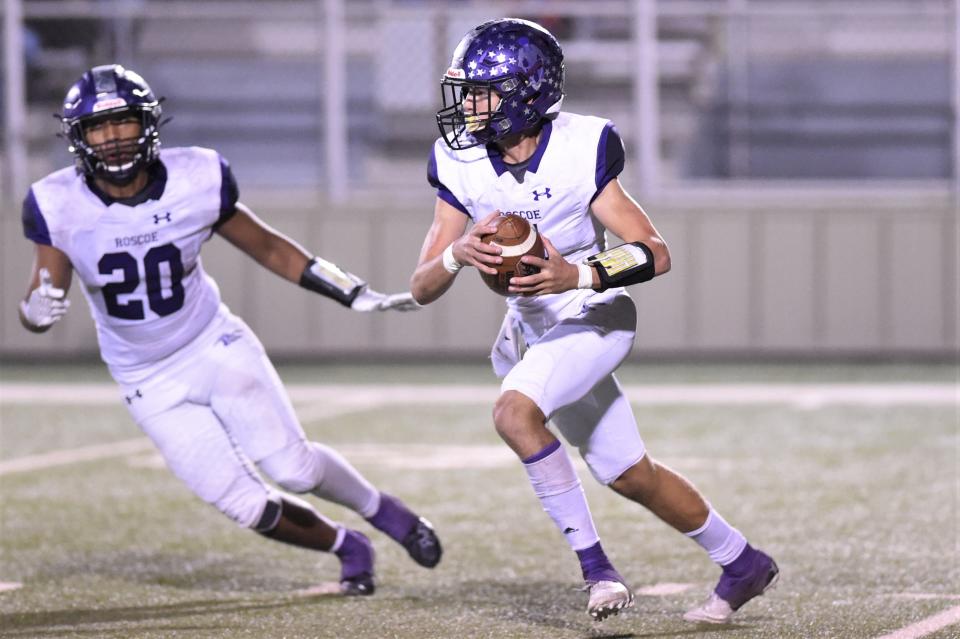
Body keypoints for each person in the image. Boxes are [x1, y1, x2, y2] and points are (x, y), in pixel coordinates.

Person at [19, 64, 442, 596]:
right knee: (246, 505)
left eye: (124, 121)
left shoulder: (197, 176)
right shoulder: (55, 203)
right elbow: (43, 294)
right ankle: (347, 545)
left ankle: (386, 513)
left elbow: (268, 246)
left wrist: (350, 290)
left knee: (294, 469)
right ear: (78, 137)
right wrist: (34, 312)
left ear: (147, 123)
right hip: (146, 379)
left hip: (212, 344)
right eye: (99, 127)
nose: (113, 137)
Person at [411, 18, 777, 623]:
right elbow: (422, 286)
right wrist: (456, 254)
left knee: (513, 412)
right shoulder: (459, 162)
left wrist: (575, 275)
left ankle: (597, 571)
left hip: (593, 310)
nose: (470, 105)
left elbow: (653, 251)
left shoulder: (583, 146)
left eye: (484, 92)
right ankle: (742, 562)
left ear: (525, 94)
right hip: (531, 327)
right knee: (629, 474)